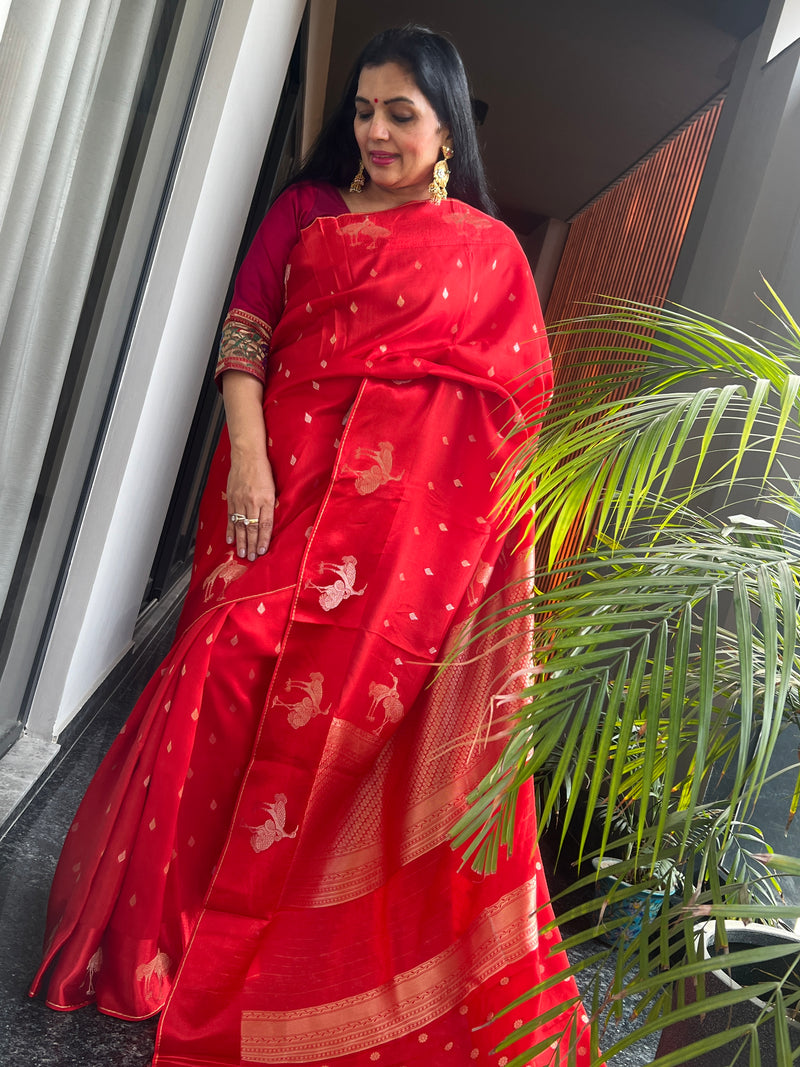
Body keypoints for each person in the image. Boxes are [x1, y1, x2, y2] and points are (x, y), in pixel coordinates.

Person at [30, 26, 597, 1067]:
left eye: (400, 115)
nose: (375, 132)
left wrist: (476, 556)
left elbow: (514, 408)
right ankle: (153, 939)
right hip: (271, 499)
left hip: (393, 546)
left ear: (444, 134)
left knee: (327, 732)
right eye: (363, 110)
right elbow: (245, 333)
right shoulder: (305, 210)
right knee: (214, 677)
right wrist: (247, 461)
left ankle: (267, 952)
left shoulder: (486, 253)